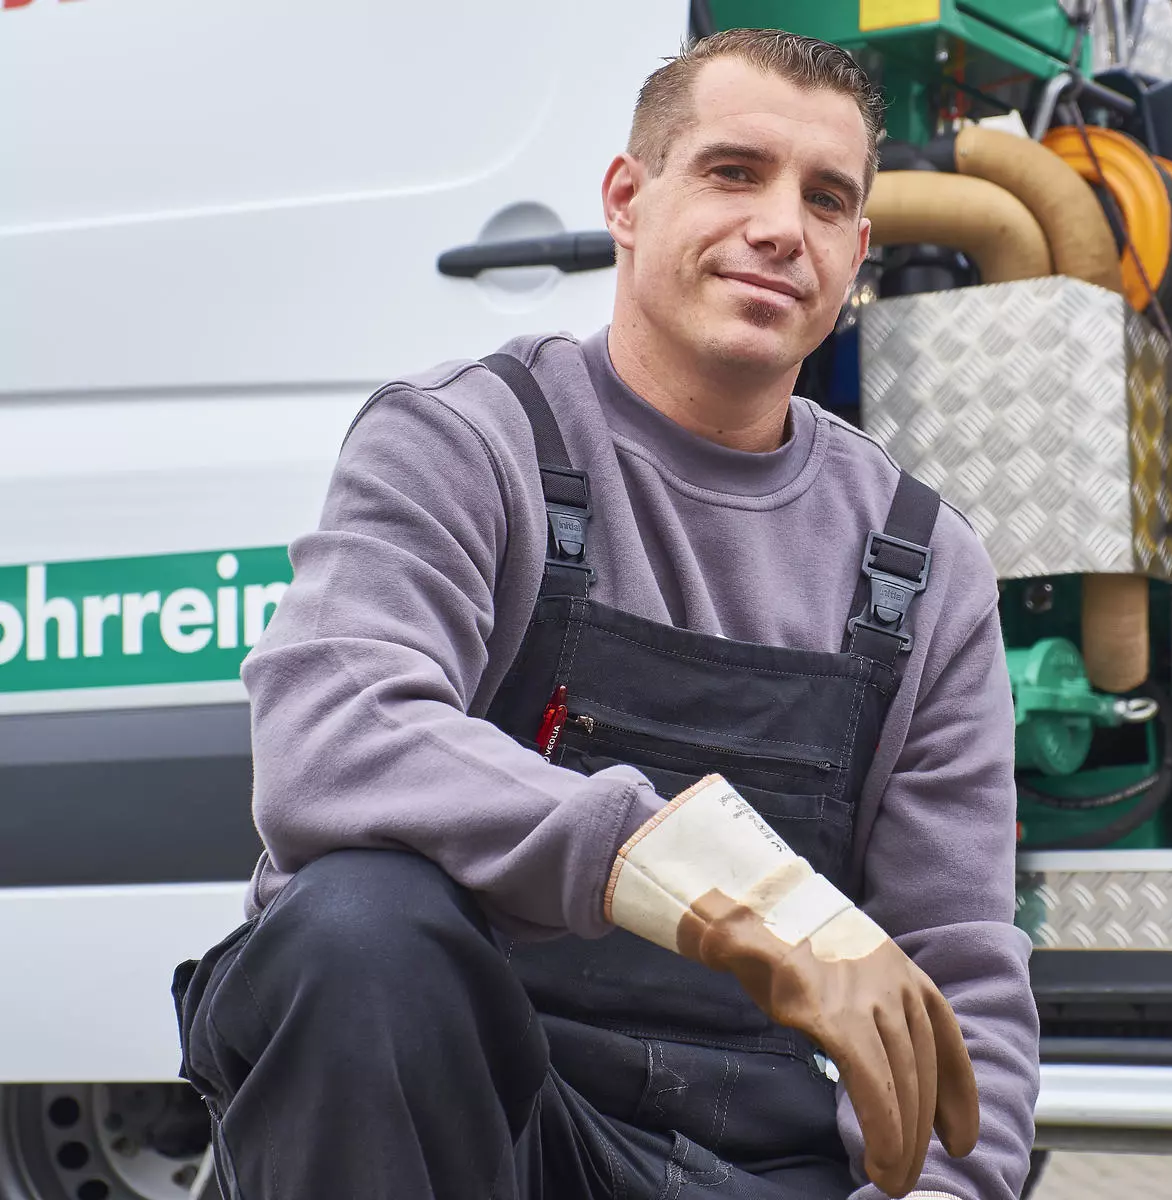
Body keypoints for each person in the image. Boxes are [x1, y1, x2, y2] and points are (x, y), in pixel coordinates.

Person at [170, 25, 1038, 1200]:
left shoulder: (924, 564)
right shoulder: (468, 442)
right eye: (736, 172)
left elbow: (958, 966)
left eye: (827, 199)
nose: (783, 226)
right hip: (480, 1138)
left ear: (857, 251)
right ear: (627, 200)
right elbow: (334, 734)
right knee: (356, 929)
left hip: (755, 1162)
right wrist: (689, 867)